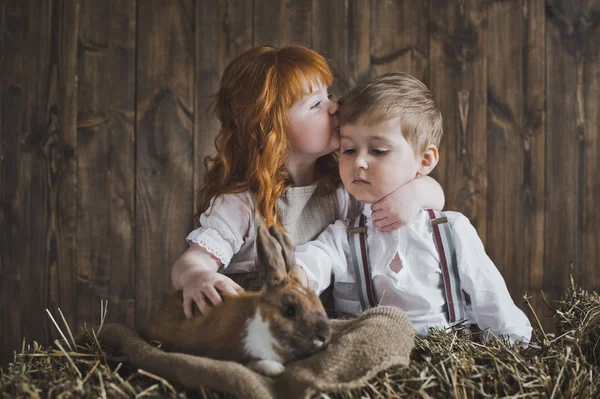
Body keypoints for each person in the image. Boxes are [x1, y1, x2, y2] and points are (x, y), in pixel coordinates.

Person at [171, 45, 446, 318]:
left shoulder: (342, 187)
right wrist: (197, 276)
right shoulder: (242, 203)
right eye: (316, 104)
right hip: (262, 322)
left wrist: (416, 193)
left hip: (326, 321)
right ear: (272, 130)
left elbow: (434, 197)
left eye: (328, 95)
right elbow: (192, 261)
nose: (334, 106)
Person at [294, 72, 532, 345]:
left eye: (378, 150)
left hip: (445, 357)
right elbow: (313, 262)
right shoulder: (343, 235)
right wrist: (295, 277)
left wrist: (515, 345)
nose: (359, 162)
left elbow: (489, 296)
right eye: (348, 150)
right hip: (369, 355)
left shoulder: (450, 230)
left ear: (425, 159)